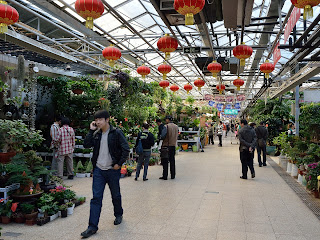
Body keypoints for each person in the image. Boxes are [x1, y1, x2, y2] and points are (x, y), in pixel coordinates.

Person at [81, 110, 130, 238]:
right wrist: (91, 130)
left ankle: (118, 214)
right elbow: (86, 144)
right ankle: (92, 227)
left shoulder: (117, 133)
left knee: (115, 195)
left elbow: (126, 149)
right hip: (98, 170)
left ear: (107, 120)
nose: (97, 122)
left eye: (100, 119)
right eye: (96, 120)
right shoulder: (96, 134)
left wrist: (119, 164)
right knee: (96, 198)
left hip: (112, 170)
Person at [159, 116, 178, 180]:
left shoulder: (166, 126)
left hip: (166, 146)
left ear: (167, 120)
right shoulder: (176, 126)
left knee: (165, 161)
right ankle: (173, 175)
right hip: (173, 145)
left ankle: (165, 176)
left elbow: (162, 136)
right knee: (172, 160)